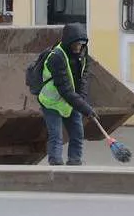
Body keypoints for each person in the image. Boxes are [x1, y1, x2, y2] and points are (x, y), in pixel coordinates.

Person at [36, 22, 96, 166]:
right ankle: (56, 166)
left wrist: (81, 99)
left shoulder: (82, 52)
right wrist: (85, 108)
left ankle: (75, 163)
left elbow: (84, 77)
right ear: (68, 41)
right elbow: (65, 90)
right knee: (56, 136)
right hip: (52, 102)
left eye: (81, 44)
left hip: (71, 101)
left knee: (77, 134)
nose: (79, 47)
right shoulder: (57, 57)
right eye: (76, 44)